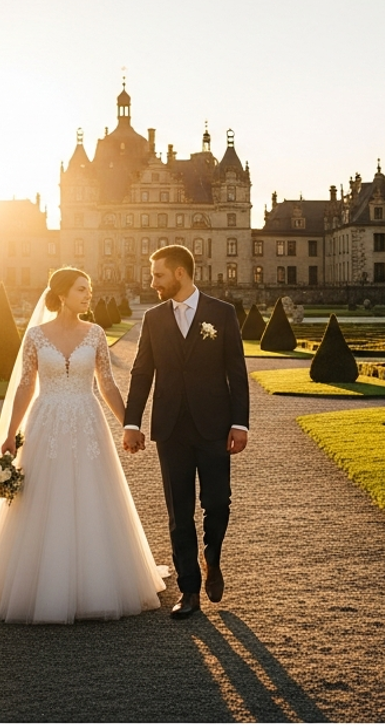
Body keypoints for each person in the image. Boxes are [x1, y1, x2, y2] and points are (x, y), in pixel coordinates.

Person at [0, 267, 168, 624]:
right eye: (81, 290)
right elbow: (26, 386)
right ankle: (39, 584)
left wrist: (129, 426)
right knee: (44, 495)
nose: (89, 295)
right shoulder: (36, 336)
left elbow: (107, 385)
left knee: (94, 494)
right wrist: (10, 432)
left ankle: (97, 582)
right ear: (61, 295)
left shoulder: (96, 333)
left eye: (88, 290)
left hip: (88, 422)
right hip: (47, 423)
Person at [124, 245, 249, 619]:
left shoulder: (222, 313)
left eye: (158, 275)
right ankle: (189, 589)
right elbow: (142, 372)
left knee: (218, 503)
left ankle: (212, 556)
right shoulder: (153, 317)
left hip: (214, 424)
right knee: (179, 512)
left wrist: (240, 423)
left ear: (179, 273)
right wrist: (132, 423)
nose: (152, 282)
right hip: (171, 426)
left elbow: (237, 373)